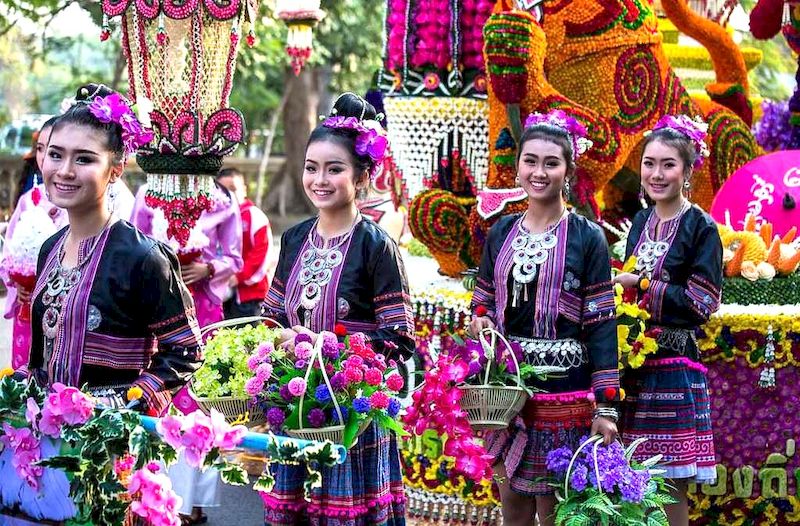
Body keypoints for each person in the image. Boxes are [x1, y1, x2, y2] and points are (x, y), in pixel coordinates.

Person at [261, 92, 414, 525]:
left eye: (335, 169)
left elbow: (399, 339)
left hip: (353, 417)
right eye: (312, 168)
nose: (320, 180)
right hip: (294, 408)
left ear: (362, 176)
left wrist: (322, 343)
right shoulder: (292, 240)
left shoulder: (376, 246)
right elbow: (270, 319)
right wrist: (272, 346)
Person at [469, 110, 620, 526]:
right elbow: (481, 302)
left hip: (565, 396)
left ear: (568, 171)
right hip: (506, 393)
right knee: (513, 507)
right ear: (517, 167)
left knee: (557, 511)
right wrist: (480, 321)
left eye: (551, 163)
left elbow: (602, 323)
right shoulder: (499, 232)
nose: (539, 172)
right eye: (530, 161)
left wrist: (606, 408)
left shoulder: (588, 237)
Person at [20, 82, 203, 416]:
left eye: (84, 159)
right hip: (45, 441)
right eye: (55, 154)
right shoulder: (50, 249)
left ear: (115, 170)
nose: (64, 171)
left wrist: (122, 405)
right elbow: (39, 361)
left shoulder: (143, 257)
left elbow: (185, 351)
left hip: (110, 448)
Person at [614, 115, 722, 525]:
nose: (656, 174)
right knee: (632, 478)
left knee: (669, 484)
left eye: (668, 164)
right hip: (634, 368)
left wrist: (640, 285)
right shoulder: (641, 222)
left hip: (674, 370)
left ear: (687, 171)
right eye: (649, 163)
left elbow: (701, 302)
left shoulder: (701, 228)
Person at [132, 174, 242, 525]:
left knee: (203, 407)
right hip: (157, 311)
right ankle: (156, 494)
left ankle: (195, 500)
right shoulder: (149, 193)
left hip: (204, 309)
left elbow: (235, 257)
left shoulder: (221, 198)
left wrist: (209, 267)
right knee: (161, 399)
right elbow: (133, 245)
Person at [216, 167, 275, 319]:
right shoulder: (216, 218)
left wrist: (238, 277)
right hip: (222, 294)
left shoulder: (255, 216)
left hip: (250, 295)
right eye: (223, 190)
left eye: (233, 189)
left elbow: (262, 254)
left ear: (244, 190)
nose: (229, 194)